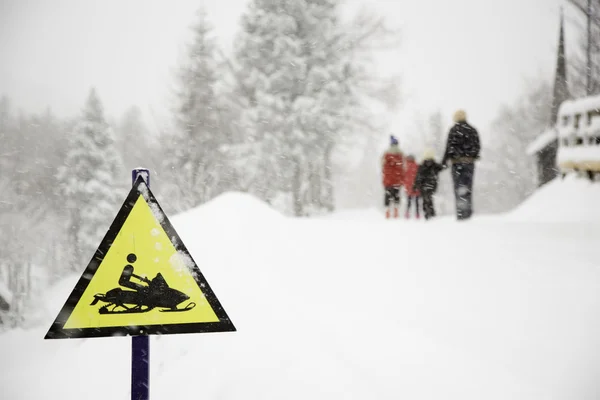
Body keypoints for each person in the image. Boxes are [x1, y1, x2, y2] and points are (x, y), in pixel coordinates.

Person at [441, 109, 480, 220]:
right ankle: (468, 212)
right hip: (469, 163)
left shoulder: (453, 130)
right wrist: (473, 155)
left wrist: (444, 162)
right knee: (467, 187)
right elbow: (477, 146)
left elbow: (448, 148)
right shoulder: (472, 130)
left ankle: (460, 213)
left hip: (456, 163)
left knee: (458, 188)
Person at [413, 149, 444, 220]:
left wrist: (415, 185)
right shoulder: (434, 165)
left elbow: (418, 177)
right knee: (428, 198)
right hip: (430, 185)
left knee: (426, 199)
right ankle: (430, 213)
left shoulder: (423, 166)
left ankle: (428, 213)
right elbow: (442, 167)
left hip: (424, 186)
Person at [381, 135, 404, 219]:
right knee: (396, 195)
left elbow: (382, 166)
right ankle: (396, 211)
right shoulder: (400, 155)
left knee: (387, 196)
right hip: (397, 180)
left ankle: (387, 211)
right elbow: (402, 168)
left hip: (388, 180)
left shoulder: (386, 154)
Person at [403, 155, 420, 219]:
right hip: (416, 186)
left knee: (409, 202)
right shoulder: (417, 166)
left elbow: (404, 177)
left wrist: (405, 185)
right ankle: (417, 214)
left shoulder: (406, 166)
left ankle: (407, 213)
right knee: (416, 202)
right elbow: (419, 176)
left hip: (409, 187)